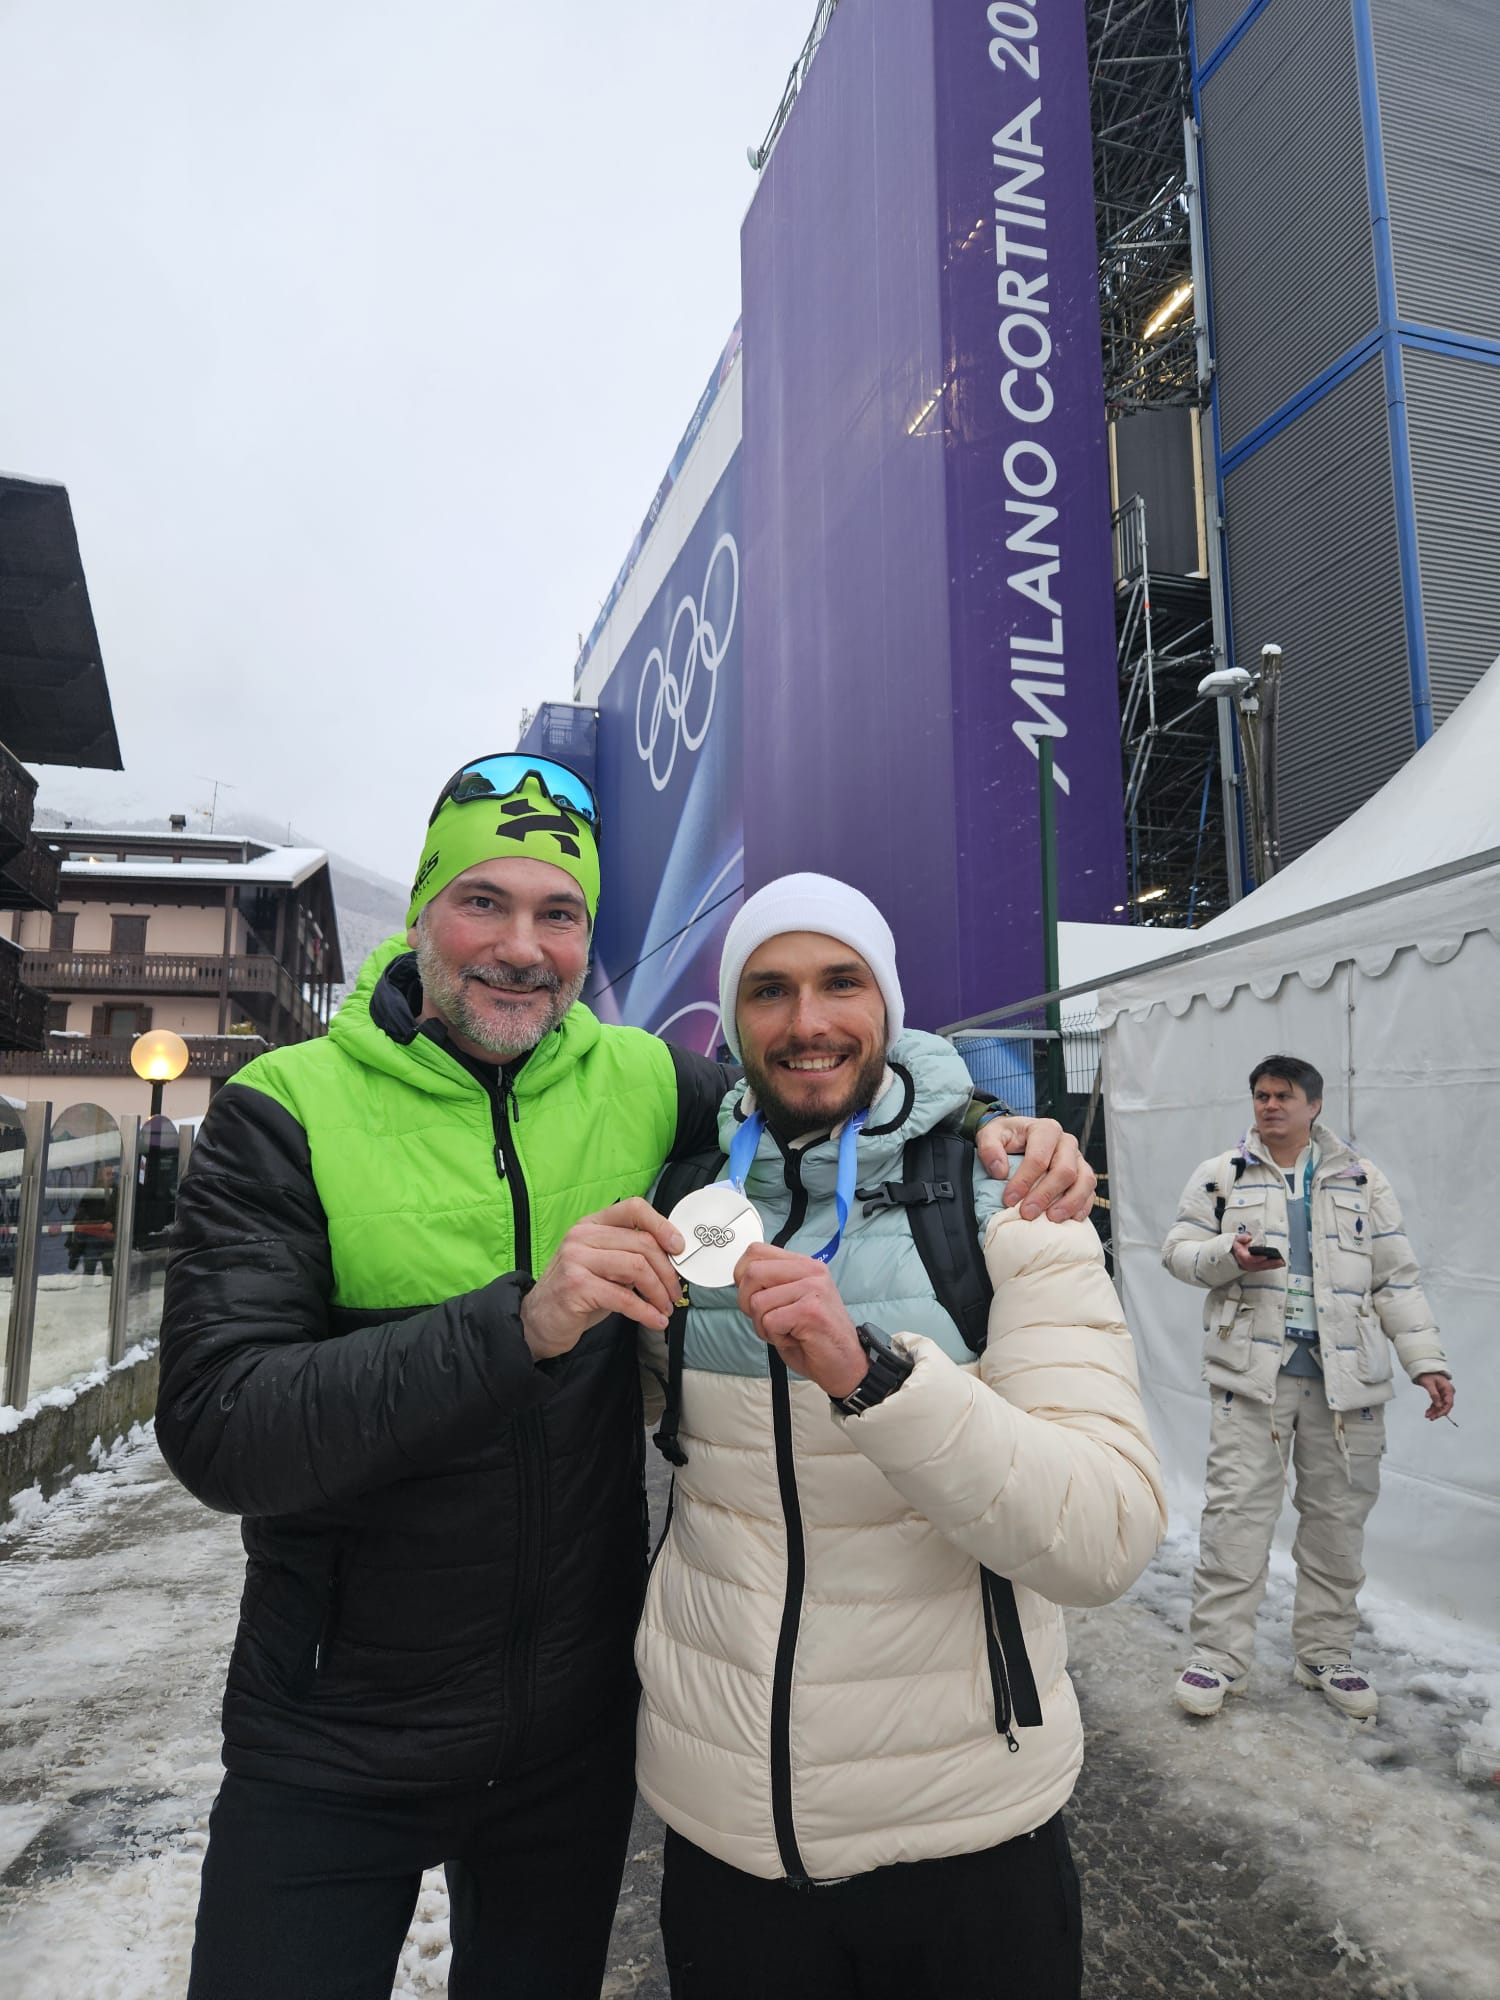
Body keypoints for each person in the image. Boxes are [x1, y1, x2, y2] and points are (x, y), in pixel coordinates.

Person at [154, 756, 1096, 2000]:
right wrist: (520, 1325)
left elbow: (825, 1079)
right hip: (335, 1729)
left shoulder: (645, 1080)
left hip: (572, 1730)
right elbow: (222, 1428)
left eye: (560, 915)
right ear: (425, 905)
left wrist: (991, 1125)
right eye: (483, 900)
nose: (521, 947)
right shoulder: (287, 1106)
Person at [635, 874, 1166, 2000]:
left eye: (842, 981)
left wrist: (874, 1378)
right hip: (726, 1835)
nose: (807, 1020)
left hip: (965, 1841)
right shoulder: (689, 1203)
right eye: (769, 990)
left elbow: (1105, 1534)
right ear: (734, 1022)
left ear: (890, 1002)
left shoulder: (1008, 1200)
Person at [1162, 1054, 1454, 1723]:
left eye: (1283, 1096)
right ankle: (1219, 1657)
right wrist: (1223, 1258)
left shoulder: (1360, 1178)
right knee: (1236, 1518)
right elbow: (1177, 1249)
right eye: (1261, 1095)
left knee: (1337, 1523)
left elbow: (1396, 1280)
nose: (1269, 1106)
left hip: (1347, 1385)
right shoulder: (1222, 1174)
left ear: (1314, 1104)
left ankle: (1325, 1652)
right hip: (1251, 1380)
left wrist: (1426, 1362)